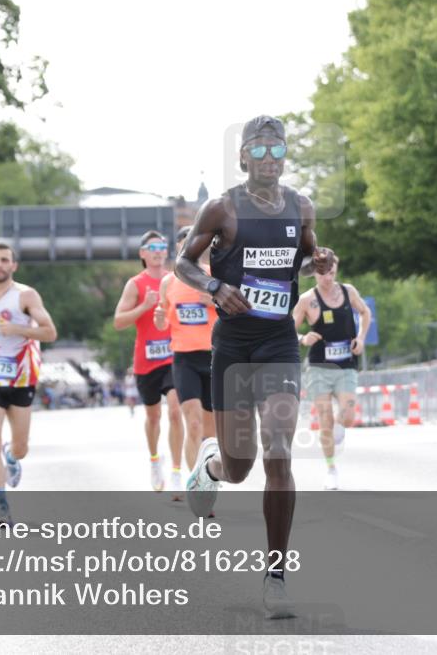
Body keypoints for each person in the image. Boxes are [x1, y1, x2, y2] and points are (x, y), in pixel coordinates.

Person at [176, 115, 332, 619]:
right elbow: (183, 264)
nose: (268, 158)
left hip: (279, 343)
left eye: (276, 149)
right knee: (240, 467)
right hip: (233, 346)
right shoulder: (221, 208)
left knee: (280, 450)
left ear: (286, 156)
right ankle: (213, 465)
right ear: (243, 157)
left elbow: (302, 261)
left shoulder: (300, 206)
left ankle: (277, 577)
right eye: (258, 150)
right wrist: (215, 288)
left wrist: (320, 260)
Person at [0, 243, 57, 526]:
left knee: (21, 446)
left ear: (13, 266)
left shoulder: (25, 295)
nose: (0, 264)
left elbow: (50, 333)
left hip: (21, 377)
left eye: (5, 260)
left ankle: (12, 456)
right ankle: (2, 508)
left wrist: (19, 329)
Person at [113, 231, 185, 495]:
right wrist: (144, 306)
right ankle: (155, 460)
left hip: (174, 356)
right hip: (146, 360)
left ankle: (177, 472)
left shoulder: (174, 279)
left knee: (176, 410)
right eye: (152, 247)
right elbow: (118, 321)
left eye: (162, 246)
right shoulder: (135, 284)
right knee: (153, 416)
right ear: (142, 253)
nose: (158, 251)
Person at [292, 251, 370, 490]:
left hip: (346, 364)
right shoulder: (307, 299)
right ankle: (331, 469)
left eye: (332, 272)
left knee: (347, 416)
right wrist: (303, 337)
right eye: (323, 273)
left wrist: (361, 338)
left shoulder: (348, 291)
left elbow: (365, 312)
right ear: (315, 272)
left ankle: (338, 428)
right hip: (319, 367)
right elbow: (287, 330)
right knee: (324, 419)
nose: (328, 278)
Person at [154, 225, 218, 478]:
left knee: (210, 432)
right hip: (184, 359)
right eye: (183, 242)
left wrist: (214, 301)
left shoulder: (215, 276)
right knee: (192, 423)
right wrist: (159, 319)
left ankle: (208, 475)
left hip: (213, 358)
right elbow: (162, 323)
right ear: (179, 248)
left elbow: (238, 310)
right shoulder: (168, 282)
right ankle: (197, 482)